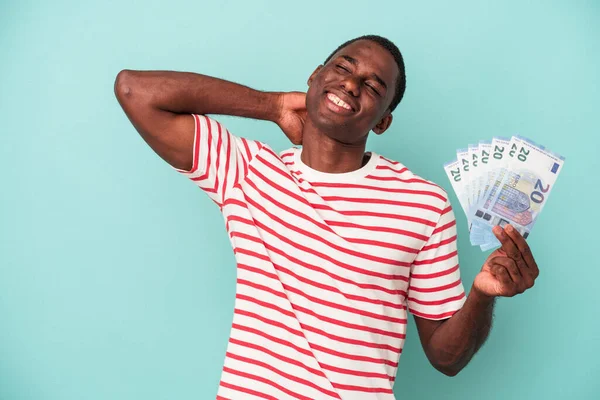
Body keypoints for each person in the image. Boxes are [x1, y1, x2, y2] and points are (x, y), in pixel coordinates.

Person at [114, 34, 539, 399]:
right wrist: (273, 104)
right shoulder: (246, 171)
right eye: (342, 68)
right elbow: (135, 90)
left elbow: (446, 360)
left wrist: (482, 296)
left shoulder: (423, 204)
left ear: (384, 121)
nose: (351, 84)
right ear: (315, 77)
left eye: (373, 86)